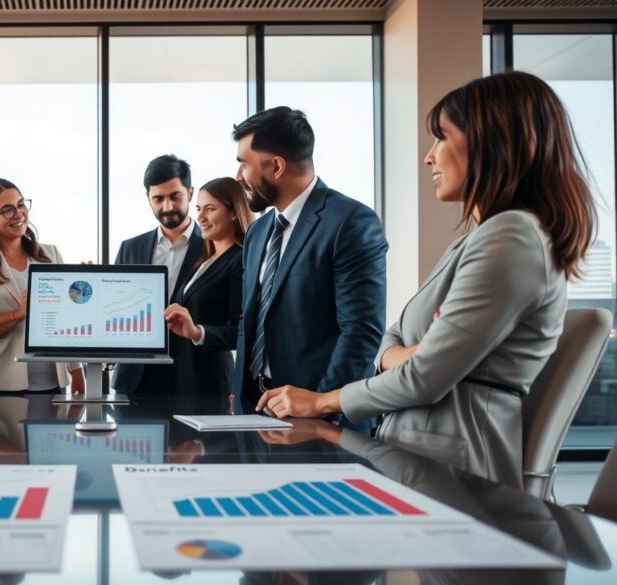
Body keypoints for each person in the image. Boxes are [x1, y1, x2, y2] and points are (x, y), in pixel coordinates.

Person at [255, 71, 595, 488]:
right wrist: (405, 354)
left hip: (450, 471)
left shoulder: (512, 238)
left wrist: (323, 400)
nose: (429, 157)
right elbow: (391, 337)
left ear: (491, 144)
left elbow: (425, 377)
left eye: (442, 137)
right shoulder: (477, 240)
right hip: (414, 452)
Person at [232, 106, 388, 433]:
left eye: (244, 164)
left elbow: (360, 332)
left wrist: (320, 408)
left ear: (276, 166)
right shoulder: (258, 232)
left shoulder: (351, 222)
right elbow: (251, 320)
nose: (238, 176)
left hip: (323, 421)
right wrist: (239, 392)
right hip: (257, 411)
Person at [0, 179, 85, 394]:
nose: (18, 213)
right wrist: (18, 314)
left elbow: (66, 320)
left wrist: (76, 369)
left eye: (20, 204)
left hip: (53, 382)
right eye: (7, 210)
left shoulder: (50, 254)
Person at [112, 154, 204, 395]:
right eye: (158, 198)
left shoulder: (216, 247)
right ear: (148, 198)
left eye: (175, 196)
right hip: (136, 381)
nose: (167, 207)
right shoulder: (129, 248)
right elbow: (115, 310)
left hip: (198, 380)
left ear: (190, 193)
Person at [164, 177, 253, 396]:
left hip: (211, 382)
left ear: (234, 213)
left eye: (210, 209)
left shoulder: (240, 260)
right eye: (198, 209)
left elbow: (240, 331)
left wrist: (197, 332)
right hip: (184, 379)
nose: (200, 217)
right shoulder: (204, 261)